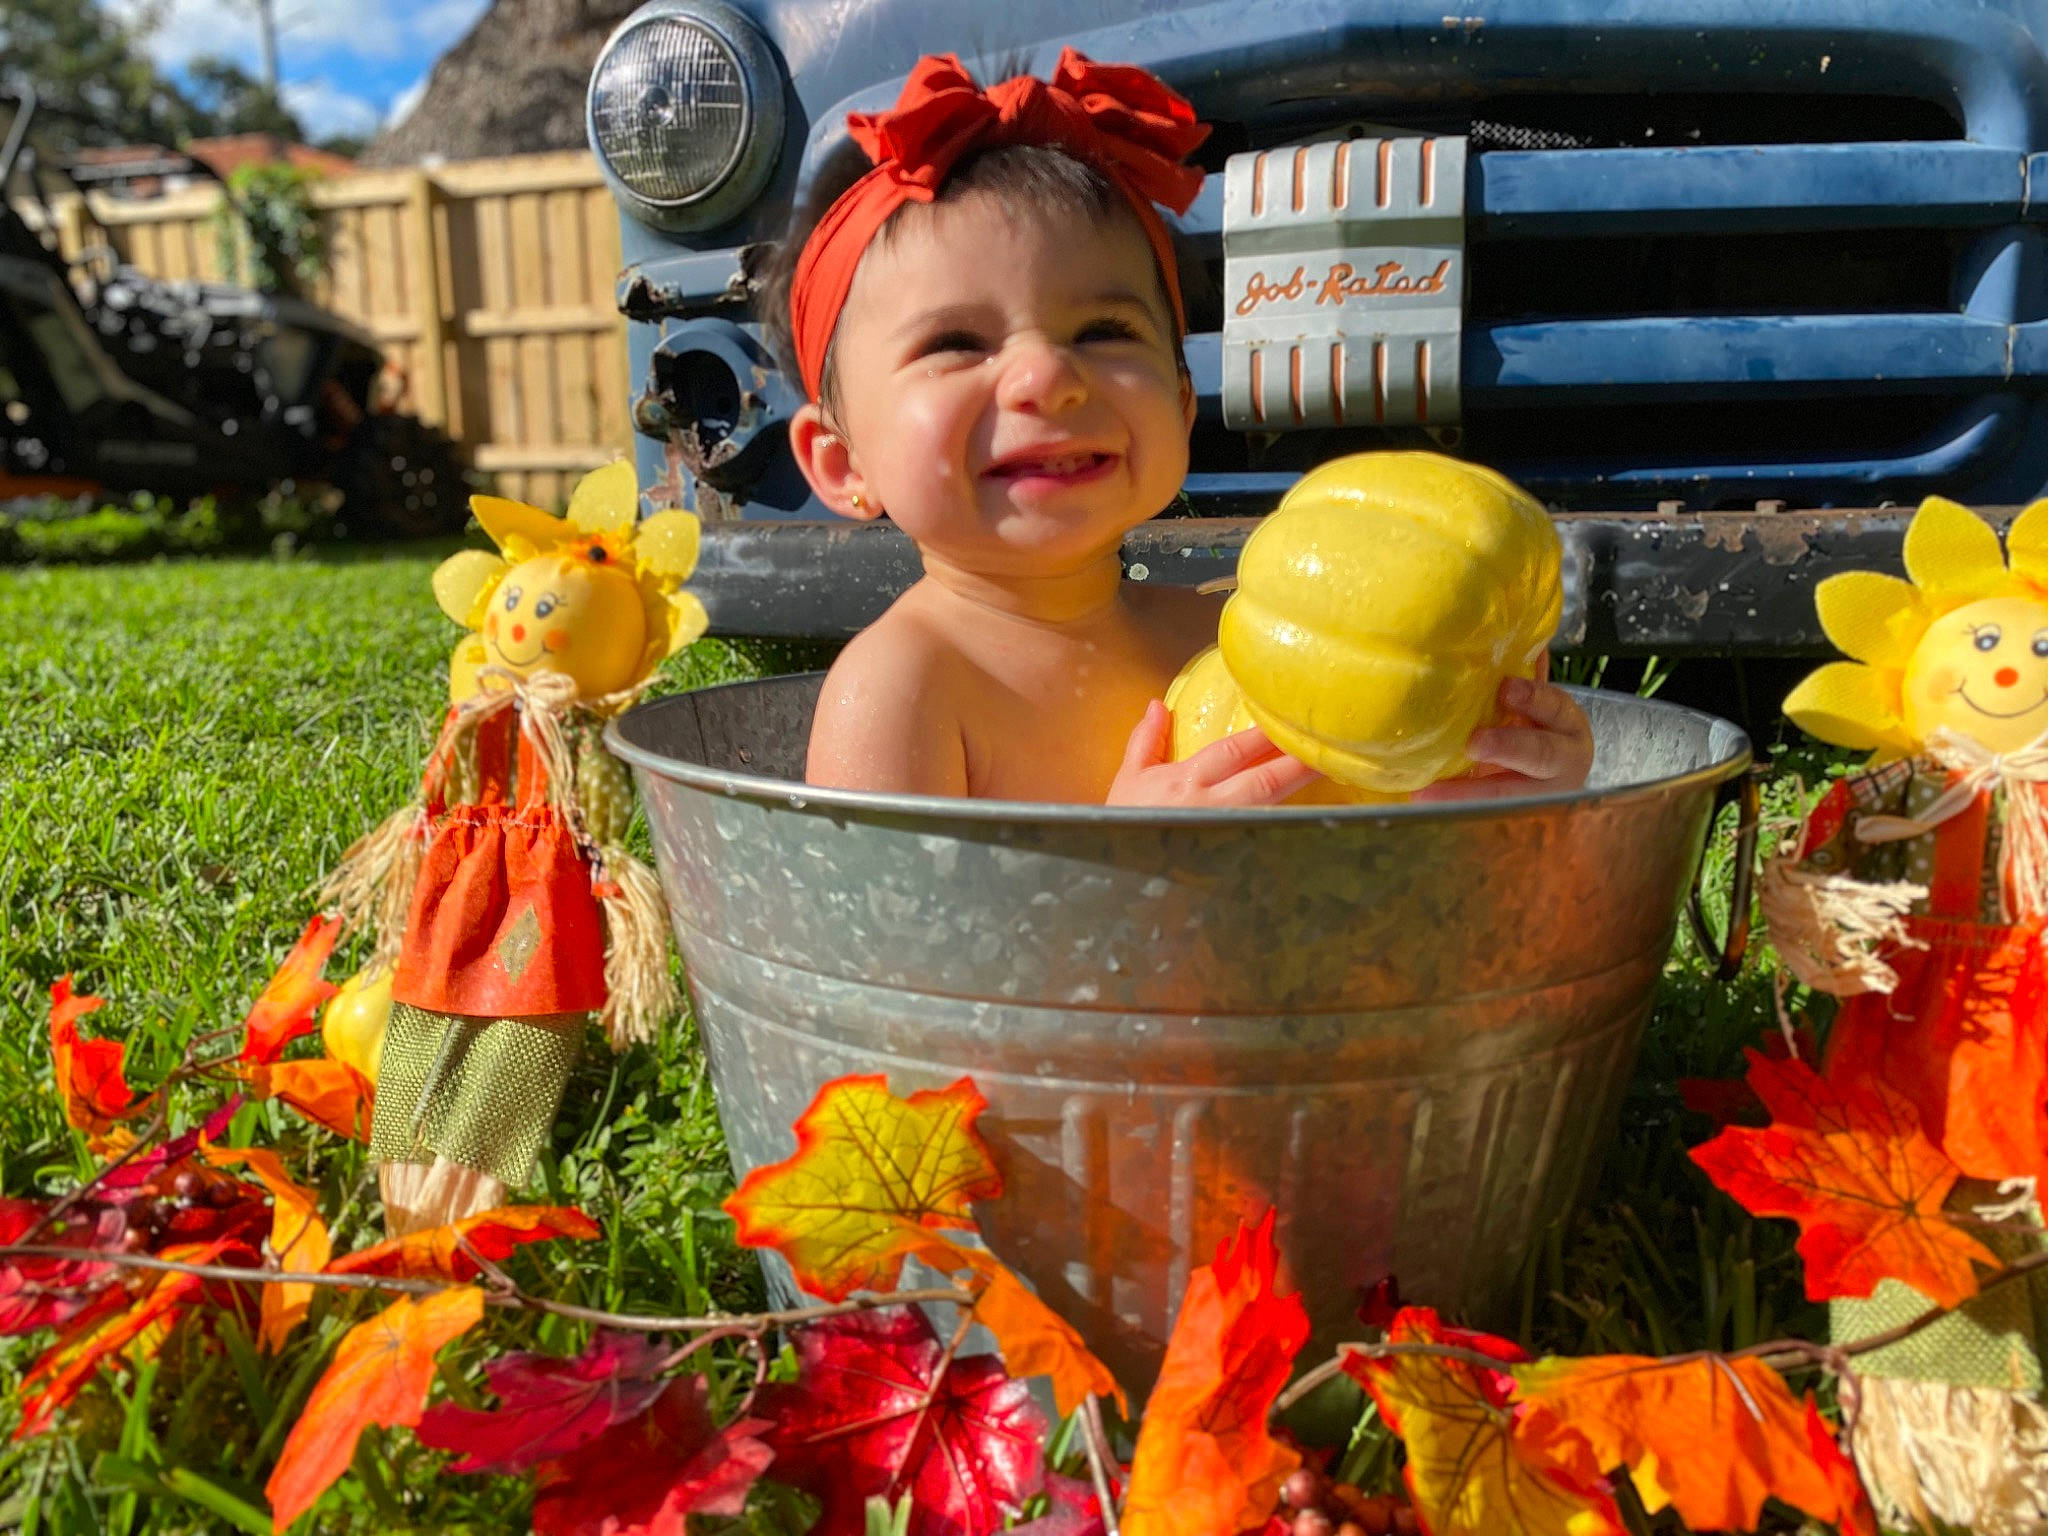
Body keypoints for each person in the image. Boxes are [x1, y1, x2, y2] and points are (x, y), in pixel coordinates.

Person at [759, 51, 1593, 806]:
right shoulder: (903, 688)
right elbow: (884, 959)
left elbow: (1373, 875)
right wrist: (1134, 869)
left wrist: (1488, 781)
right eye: (957, 344)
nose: (1049, 378)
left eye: (1104, 333)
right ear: (838, 463)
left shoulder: (1231, 639)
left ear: (1184, 400)